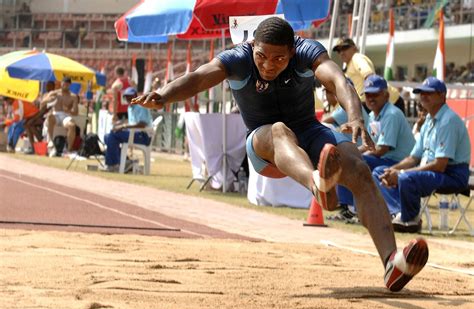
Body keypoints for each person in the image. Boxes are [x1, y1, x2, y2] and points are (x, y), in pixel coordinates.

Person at [133, 17, 428, 292]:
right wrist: (165, 94)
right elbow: (198, 78)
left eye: (278, 59)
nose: (268, 65)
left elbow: (339, 80)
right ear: (252, 48)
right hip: (264, 145)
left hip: (309, 132)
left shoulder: (306, 52)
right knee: (278, 129)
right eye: (261, 56)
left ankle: (391, 263)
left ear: (292, 50)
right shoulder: (237, 58)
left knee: (359, 168)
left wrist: (355, 116)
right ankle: (317, 184)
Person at [373, 77, 471, 233]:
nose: (423, 96)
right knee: (379, 172)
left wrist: (400, 173)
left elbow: (440, 165)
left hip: (453, 175)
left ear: (441, 95)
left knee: (404, 177)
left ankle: (410, 219)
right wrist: (393, 170)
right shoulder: (428, 121)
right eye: (421, 92)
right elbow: (413, 158)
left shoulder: (448, 121)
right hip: (433, 172)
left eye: (429, 93)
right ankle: (399, 213)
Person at [336, 75, 416, 220]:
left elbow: (381, 149)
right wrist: (351, 153)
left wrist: (354, 154)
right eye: (368, 94)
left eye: (375, 94)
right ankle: (349, 208)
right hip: (385, 159)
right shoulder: (373, 115)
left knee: (355, 163)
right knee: (346, 160)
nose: (371, 98)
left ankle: (355, 209)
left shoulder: (391, 114)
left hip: (398, 163)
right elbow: (370, 145)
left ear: (386, 95)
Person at [332, 38, 406, 114]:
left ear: (354, 48)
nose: (341, 53)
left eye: (344, 48)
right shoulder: (348, 67)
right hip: (376, 103)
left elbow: (370, 77)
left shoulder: (357, 58)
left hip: (390, 101)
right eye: (339, 50)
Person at [103, 87, 152, 172]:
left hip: (143, 136)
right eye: (126, 97)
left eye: (130, 96)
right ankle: (124, 161)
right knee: (107, 137)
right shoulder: (130, 108)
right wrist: (120, 124)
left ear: (136, 96)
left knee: (113, 135)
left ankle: (113, 164)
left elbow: (142, 124)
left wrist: (123, 126)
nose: (128, 99)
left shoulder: (141, 106)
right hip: (134, 134)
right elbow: (132, 122)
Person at [45, 77, 78, 155]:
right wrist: (49, 100)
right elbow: (43, 103)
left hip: (65, 116)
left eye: (67, 84)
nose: (65, 86)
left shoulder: (73, 96)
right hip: (55, 114)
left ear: (70, 85)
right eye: (64, 84)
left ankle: (69, 149)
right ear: (61, 83)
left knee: (72, 125)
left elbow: (76, 112)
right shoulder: (54, 93)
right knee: (50, 116)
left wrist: (68, 110)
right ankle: (50, 141)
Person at [23, 81, 56, 154]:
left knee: (29, 124)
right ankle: (33, 146)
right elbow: (39, 108)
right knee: (26, 124)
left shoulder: (53, 96)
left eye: (49, 85)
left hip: (47, 116)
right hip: (39, 115)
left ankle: (40, 142)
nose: (47, 87)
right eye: (47, 85)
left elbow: (45, 109)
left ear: (53, 87)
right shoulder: (44, 95)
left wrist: (34, 118)